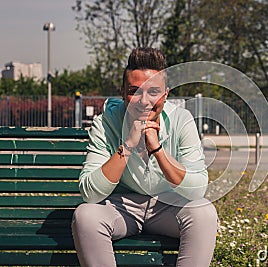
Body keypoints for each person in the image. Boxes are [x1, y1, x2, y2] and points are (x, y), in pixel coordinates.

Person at [72, 47, 218, 267]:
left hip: (167, 206)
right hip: (122, 208)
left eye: (153, 91)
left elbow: (197, 190)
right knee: (86, 216)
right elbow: (90, 193)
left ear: (166, 93)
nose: (143, 100)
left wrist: (157, 149)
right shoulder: (106, 123)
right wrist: (128, 144)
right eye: (134, 91)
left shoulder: (182, 120)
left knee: (204, 212)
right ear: (122, 92)